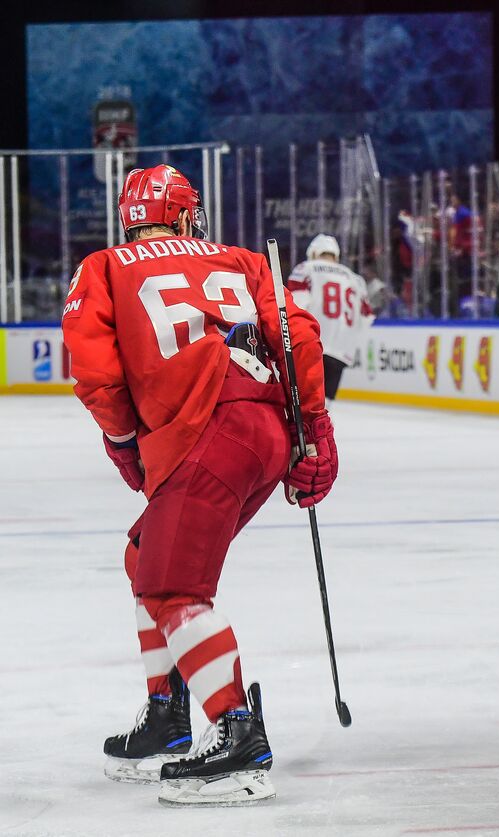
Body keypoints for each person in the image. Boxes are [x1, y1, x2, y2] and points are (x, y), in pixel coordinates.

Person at [62, 165, 338, 806]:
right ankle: (167, 715)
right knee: (144, 556)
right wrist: (313, 430)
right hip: (264, 432)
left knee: (173, 588)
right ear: (187, 215)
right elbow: (298, 336)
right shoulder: (243, 260)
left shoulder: (104, 267)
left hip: (207, 433)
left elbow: (96, 373)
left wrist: (125, 440)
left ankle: (237, 736)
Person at [288, 233, 375, 399]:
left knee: (303, 400)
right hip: (342, 349)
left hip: (312, 344)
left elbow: (296, 306)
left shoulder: (305, 269)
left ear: (314, 253)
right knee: (325, 403)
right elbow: (367, 318)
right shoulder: (355, 279)